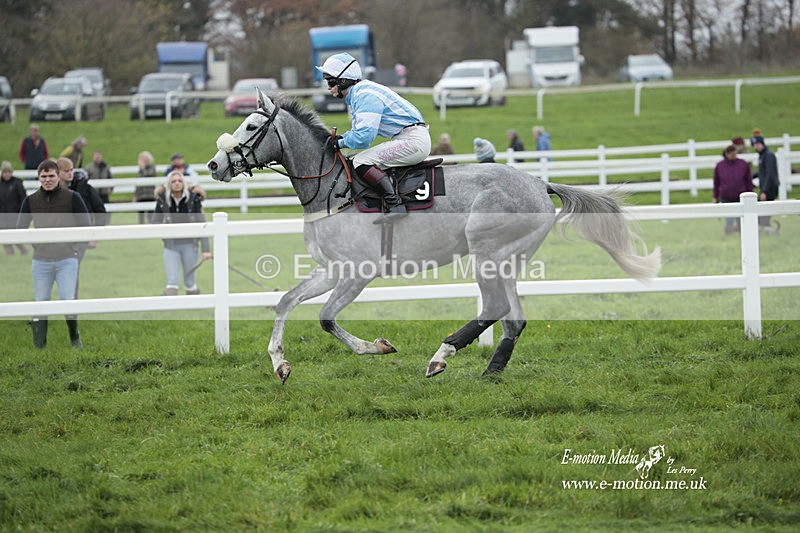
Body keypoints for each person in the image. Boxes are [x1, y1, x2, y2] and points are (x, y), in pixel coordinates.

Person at [318, 52, 431, 224]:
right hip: (408, 137)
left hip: (413, 141)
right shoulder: (361, 92)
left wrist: (339, 143)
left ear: (344, 81)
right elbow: (359, 133)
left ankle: (395, 204)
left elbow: (363, 138)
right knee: (359, 159)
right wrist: (342, 139)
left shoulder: (364, 95)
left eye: (331, 81)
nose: (328, 87)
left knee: (360, 161)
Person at [16, 159, 91, 348]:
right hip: (41, 260)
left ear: (58, 176)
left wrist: (77, 248)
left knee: (67, 299)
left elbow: (86, 224)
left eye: (51, 176)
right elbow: (20, 227)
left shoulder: (72, 197)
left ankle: (74, 337)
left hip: (67, 258)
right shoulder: (31, 200)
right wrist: (35, 242)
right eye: (44, 176)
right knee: (41, 300)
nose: (47, 179)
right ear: (39, 178)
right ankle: (40, 345)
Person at [152, 171, 211, 295]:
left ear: (183, 183)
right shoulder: (162, 200)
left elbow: (202, 224)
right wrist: (165, 233)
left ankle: (194, 304)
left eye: (179, 181)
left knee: (190, 282)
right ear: (169, 184)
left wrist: (206, 249)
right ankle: (168, 305)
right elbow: (155, 221)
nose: (177, 183)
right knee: (172, 282)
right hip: (171, 246)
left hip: (190, 246)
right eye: (173, 181)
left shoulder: (193, 199)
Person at [57, 158, 107, 262]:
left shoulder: (84, 187)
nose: (70, 173)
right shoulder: (51, 191)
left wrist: (94, 236)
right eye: (66, 171)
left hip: (80, 235)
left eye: (71, 170)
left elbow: (100, 210)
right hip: (59, 236)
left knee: (73, 265)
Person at [712, 145, 753, 234]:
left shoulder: (742, 164)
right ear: (727, 154)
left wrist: (750, 193)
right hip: (726, 195)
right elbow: (716, 182)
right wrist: (715, 196)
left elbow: (748, 180)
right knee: (729, 217)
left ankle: (742, 232)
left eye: (735, 154)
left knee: (740, 217)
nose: (734, 156)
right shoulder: (720, 166)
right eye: (732, 154)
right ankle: (729, 232)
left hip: (740, 195)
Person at [750, 132, 780, 234]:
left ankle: (769, 231)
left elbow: (770, 174)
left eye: (757, 144)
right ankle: (767, 231)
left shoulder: (768, 155)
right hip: (766, 188)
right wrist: (751, 177)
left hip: (769, 189)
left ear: (762, 143)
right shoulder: (762, 156)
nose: (755, 147)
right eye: (754, 145)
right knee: (762, 213)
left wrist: (764, 191)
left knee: (763, 213)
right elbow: (762, 172)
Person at [0, 160, 29, 255]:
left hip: (15, 215)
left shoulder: (17, 183)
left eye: (9, 172)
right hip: (2, 217)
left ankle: (25, 252)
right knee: (5, 239)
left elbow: (23, 198)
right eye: (5, 172)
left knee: (16, 239)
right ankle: (10, 256)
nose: (7, 174)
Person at [135, 151, 157, 224]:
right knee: (141, 215)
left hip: (150, 195)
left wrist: (143, 168)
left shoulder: (152, 168)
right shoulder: (140, 170)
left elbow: (148, 175)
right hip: (141, 195)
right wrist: (136, 195)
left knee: (150, 215)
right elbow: (138, 183)